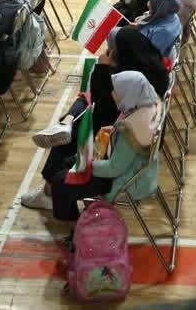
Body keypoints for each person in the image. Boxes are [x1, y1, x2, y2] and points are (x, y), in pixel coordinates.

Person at [43, 70, 161, 222]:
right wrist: (113, 130)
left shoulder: (130, 131)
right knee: (68, 162)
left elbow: (113, 169)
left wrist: (88, 164)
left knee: (60, 182)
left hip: (121, 181)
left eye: (117, 91)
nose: (112, 94)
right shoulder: (147, 107)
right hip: (135, 171)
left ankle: (73, 222)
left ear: (130, 94)